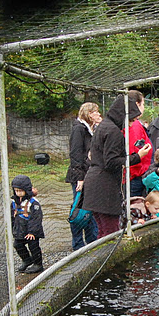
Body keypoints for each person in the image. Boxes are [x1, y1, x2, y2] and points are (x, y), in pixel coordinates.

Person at [82, 94, 153, 238]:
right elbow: (111, 162)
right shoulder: (114, 132)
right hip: (104, 187)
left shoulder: (104, 125)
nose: (132, 124)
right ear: (123, 116)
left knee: (102, 231)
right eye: (131, 120)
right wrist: (137, 157)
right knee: (111, 233)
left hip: (95, 183)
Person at [65, 102, 100, 249]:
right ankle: (78, 244)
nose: (99, 115)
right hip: (80, 176)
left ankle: (91, 241)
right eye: (96, 112)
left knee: (90, 208)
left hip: (89, 174)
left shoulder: (90, 129)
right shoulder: (79, 129)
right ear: (89, 114)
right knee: (79, 209)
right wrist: (79, 177)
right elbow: (76, 154)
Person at [11, 174, 44, 273]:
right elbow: (12, 216)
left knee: (34, 247)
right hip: (20, 230)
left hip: (32, 231)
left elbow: (36, 218)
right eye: (16, 191)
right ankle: (27, 260)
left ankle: (38, 264)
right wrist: (14, 229)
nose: (18, 193)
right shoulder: (14, 202)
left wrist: (32, 232)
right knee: (17, 245)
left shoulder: (33, 203)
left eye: (20, 191)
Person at [128, 90, 152, 198]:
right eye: (143, 104)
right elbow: (134, 149)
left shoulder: (134, 123)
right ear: (137, 104)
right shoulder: (134, 125)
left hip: (137, 174)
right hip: (135, 176)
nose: (144, 108)